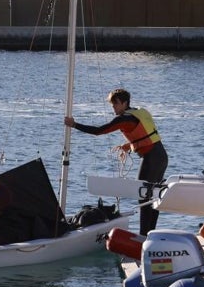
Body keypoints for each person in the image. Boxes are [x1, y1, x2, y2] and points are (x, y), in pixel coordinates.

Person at [66, 88, 167, 235]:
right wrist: (129, 146)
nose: (113, 107)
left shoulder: (124, 119)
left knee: (143, 196)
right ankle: (150, 233)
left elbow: (99, 131)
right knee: (152, 196)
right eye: (112, 104)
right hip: (161, 157)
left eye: (116, 104)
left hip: (152, 159)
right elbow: (147, 136)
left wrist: (74, 125)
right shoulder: (140, 112)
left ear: (124, 103)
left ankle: (144, 236)